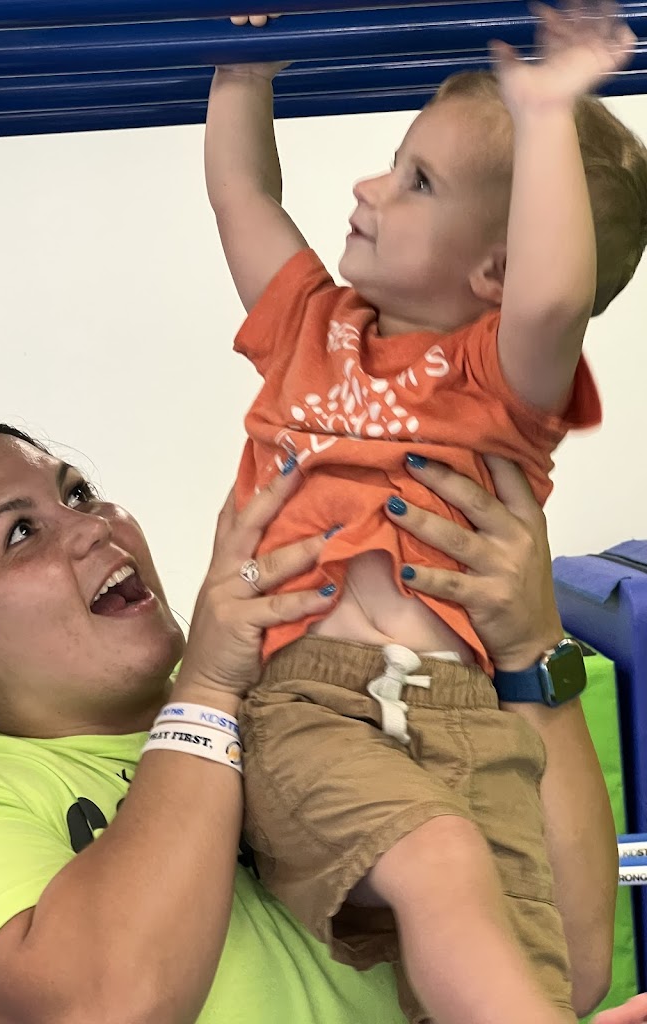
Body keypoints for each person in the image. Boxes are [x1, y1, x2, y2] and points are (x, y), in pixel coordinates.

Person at [205, 4, 647, 1023]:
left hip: (471, 719)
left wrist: (546, 115)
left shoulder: (501, 382)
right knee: (442, 860)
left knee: (528, 972)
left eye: (417, 182)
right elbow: (242, 194)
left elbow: (551, 299)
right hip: (315, 706)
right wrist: (242, 73)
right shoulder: (308, 327)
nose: (369, 187)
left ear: (496, 268)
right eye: (395, 164)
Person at [0, 421, 615, 1023]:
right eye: (19, 533)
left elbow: (567, 962)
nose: (92, 528)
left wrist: (529, 649)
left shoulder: (302, 703)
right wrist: (205, 691)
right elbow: (98, 1008)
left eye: (79, 493)